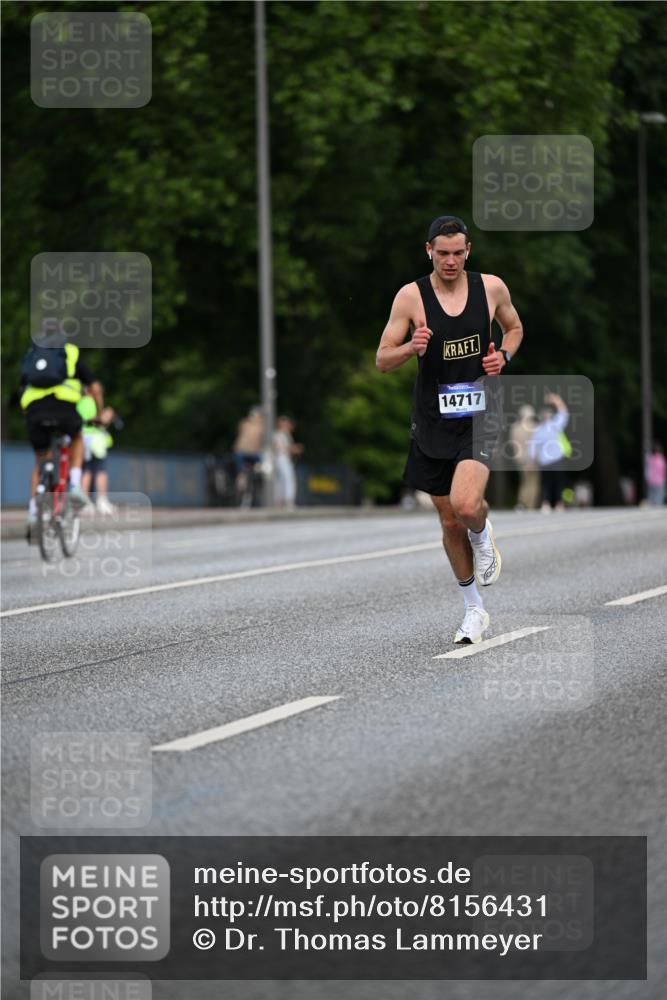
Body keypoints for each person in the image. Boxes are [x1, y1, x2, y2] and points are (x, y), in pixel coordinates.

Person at [376, 215, 523, 644]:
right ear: (429, 252)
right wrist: (410, 348)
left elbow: (514, 328)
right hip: (433, 419)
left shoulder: (491, 288)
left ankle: (483, 531)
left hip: (480, 412)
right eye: (443, 253)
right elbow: (382, 360)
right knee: (448, 521)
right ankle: (474, 610)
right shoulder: (411, 298)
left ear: (468, 250)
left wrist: (504, 359)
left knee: (465, 504)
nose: (451, 261)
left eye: (458, 253)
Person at [20, 338, 103, 540]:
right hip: (65, 410)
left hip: (35, 412)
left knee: (40, 460)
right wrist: (98, 413)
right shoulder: (70, 353)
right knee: (77, 437)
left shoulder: (31, 354)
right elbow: (95, 388)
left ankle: (33, 512)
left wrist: (29, 413)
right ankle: (75, 485)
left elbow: (22, 389)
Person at [77, 392, 118, 515]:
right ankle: (101, 501)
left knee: (86, 469)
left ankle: (85, 502)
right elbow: (98, 420)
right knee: (100, 470)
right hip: (95, 440)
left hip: (82, 439)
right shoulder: (91, 402)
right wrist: (107, 415)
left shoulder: (79, 401)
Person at [528, 392, 569, 512]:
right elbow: (533, 446)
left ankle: (559, 503)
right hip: (545, 461)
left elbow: (564, 413)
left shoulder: (555, 425)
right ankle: (546, 503)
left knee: (558, 483)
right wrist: (531, 460)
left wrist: (557, 400)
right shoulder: (538, 430)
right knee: (546, 483)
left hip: (555, 459)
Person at [509, 404, 540, 510]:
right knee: (533, 482)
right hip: (532, 458)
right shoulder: (533, 427)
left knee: (524, 481)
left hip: (520, 459)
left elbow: (514, 445)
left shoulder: (515, 428)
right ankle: (529, 504)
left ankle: (522, 502)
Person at [233, 405, 264, 506]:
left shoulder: (261, 426)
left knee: (262, 462)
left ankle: (255, 473)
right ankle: (242, 478)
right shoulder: (246, 424)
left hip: (254, 454)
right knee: (242, 473)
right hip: (242, 452)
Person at [273, 415, 303, 508]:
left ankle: (281, 501)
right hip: (281, 458)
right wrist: (294, 449)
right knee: (288, 478)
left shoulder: (286, 435)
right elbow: (279, 447)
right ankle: (287, 501)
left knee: (282, 480)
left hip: (283, 458)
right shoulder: (278, 434)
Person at [645, 442, 666, 506]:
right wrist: (648, 478)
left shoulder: (661, 459)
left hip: (659, 481)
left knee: (658, 498)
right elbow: (648, 470)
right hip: (653, 481)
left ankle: (656, 508)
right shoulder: (651, 459)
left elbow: (664, 470)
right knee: (653, 498)